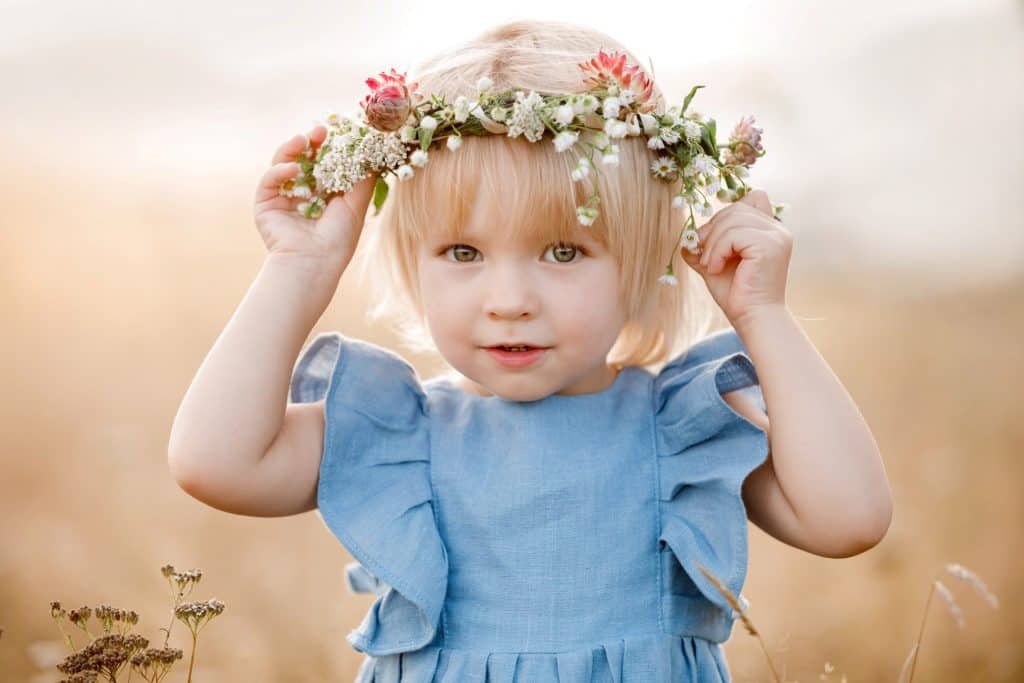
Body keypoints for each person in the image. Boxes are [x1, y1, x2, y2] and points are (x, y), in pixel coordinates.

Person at [167, 19, 893, 682]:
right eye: (462, 250)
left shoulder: (675, 432)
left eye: (563, 249)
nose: (508, 297)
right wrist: (297, 272)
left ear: (645, 262)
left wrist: (763, 314)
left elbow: (850, 518)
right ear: (413, 262)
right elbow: (213, 460)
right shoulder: (407, 435)